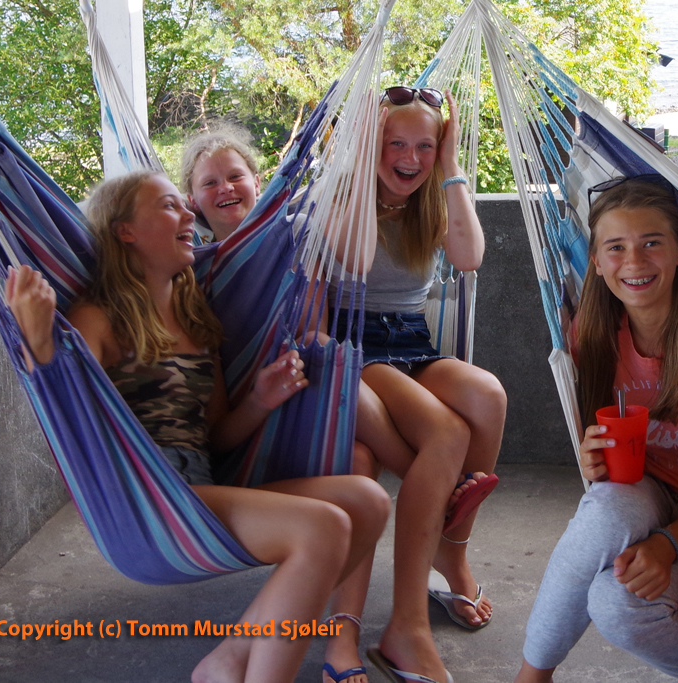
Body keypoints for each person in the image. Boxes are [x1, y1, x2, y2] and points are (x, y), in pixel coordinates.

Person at [5, 170, 392, 683]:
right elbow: (70, 415)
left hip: (202, 492)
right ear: (125, 231)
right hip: (150, 501)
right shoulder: (97, 319)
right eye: (170, 206)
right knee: (323, 527)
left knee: (368, 501)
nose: (189, 213)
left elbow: (217, 436)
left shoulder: (196, 321)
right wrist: (37, 342)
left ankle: (229, 659)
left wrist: (260, 400)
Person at [181, 117, 502, 683]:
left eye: (236, 176)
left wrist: (447, 166)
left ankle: (431, 559)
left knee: (471, 404)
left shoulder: (295, 231)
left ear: (259, 181)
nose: (226, 188)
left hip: (348, 367)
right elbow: (340, 285)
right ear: (191, 201)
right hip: (305, 386)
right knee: (411, 444)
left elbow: (319, 322)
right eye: (210, 183)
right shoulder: (195, 268)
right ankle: (444, 506)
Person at [514, 177, 678, 683]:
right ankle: (531, 678)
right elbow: (605, 460)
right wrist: (592, 456)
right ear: (595, 260)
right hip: (643, 490)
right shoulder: (592, 333)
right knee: (602, 515)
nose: (634, 260)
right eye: (616, 247)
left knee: (615, 604)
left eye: (652, 242)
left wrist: (668, 544)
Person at [319, 86, 507, 683]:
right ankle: (407, 624)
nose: (410, 157)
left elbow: (470, 257)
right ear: (371, 144)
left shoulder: (431, 199)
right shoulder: (340, 197)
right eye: (394, 143)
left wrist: (450, 168)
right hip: (354, 344)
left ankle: (451, 549)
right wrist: (359, 161)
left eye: (424, 146)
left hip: (412, 340)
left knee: (487, 395)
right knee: (447, 433)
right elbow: (353, 258)